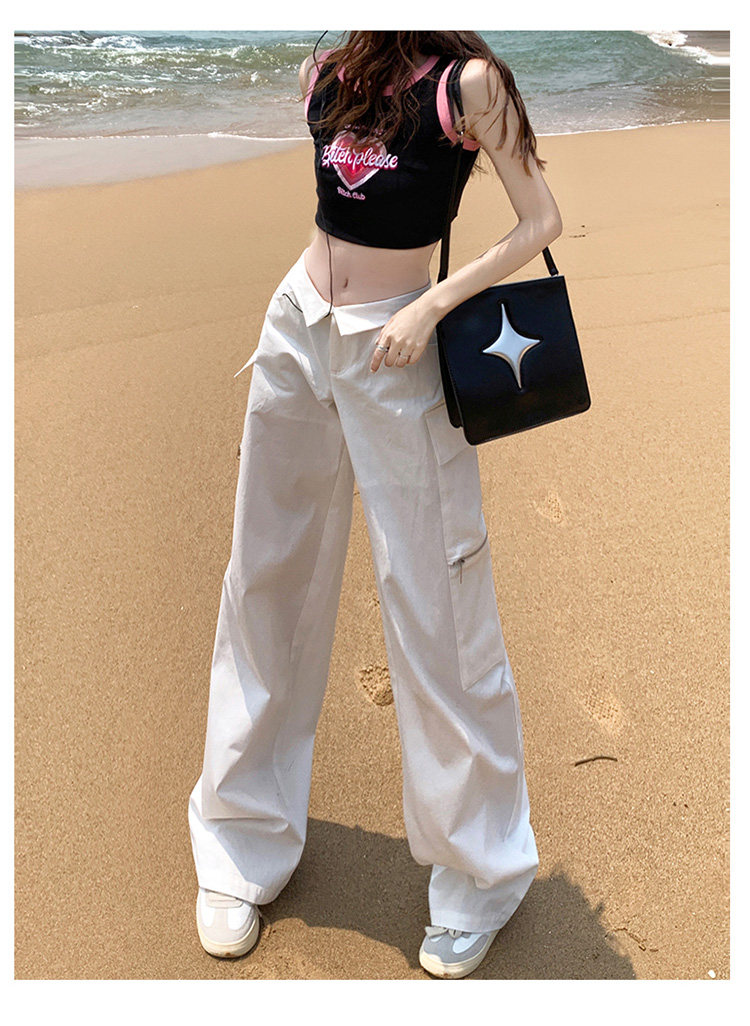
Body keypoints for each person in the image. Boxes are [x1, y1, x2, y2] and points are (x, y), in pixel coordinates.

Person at [188, 29, 562, 980]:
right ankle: (239, 842)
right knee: (265, 582)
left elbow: (540, 221)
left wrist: (428, 307)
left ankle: (481, 873)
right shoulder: (327, 71)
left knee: (439, 606)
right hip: (296, 331)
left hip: (399, 353)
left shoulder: (468, 85)